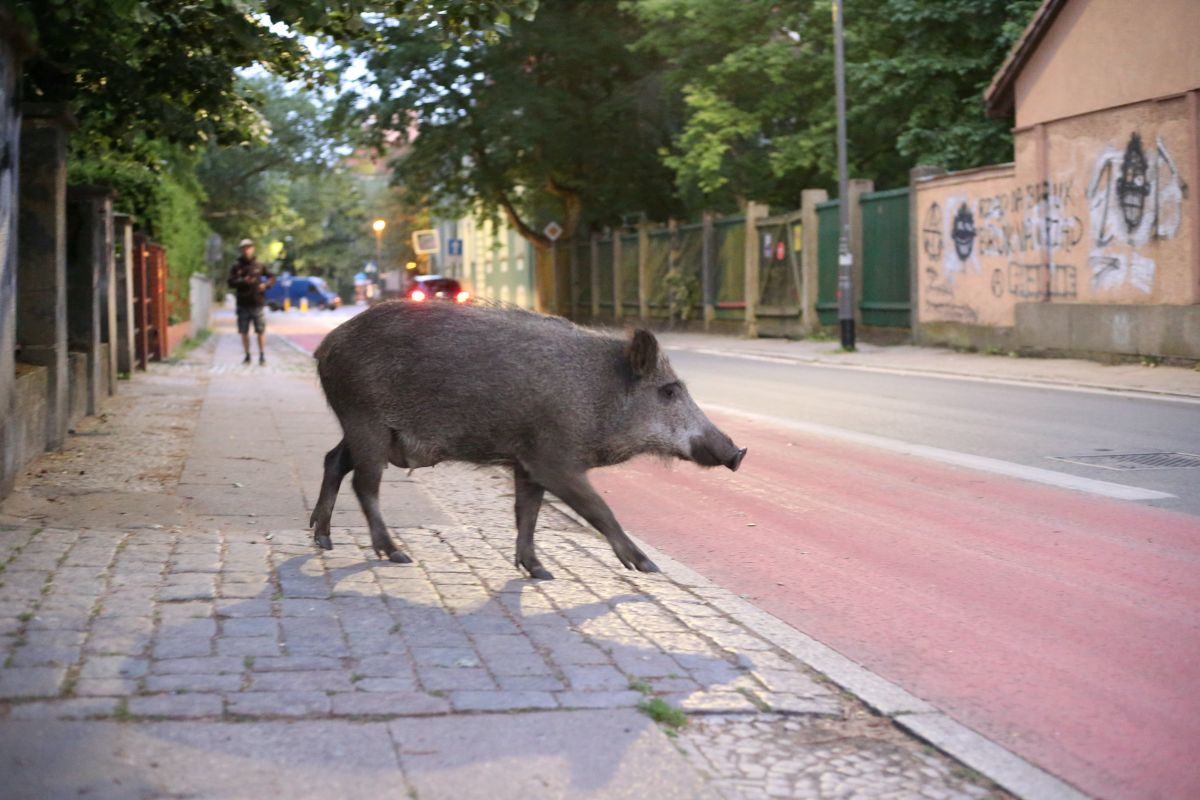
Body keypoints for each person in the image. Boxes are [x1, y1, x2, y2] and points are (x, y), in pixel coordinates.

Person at [227, 239, 275, 365]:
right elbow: (230, 282)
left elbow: (272, 277)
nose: (246, 250)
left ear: (252, 248)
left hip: (257, 302)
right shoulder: (237, 266)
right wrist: (243, 281)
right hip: (242, 303)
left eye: (249, 247)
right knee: (244, 331)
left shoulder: (259, 264)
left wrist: (265, 285)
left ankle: (262, 355)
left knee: (260, 330)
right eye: (244, 247)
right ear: (241, 249)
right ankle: (247, 355)